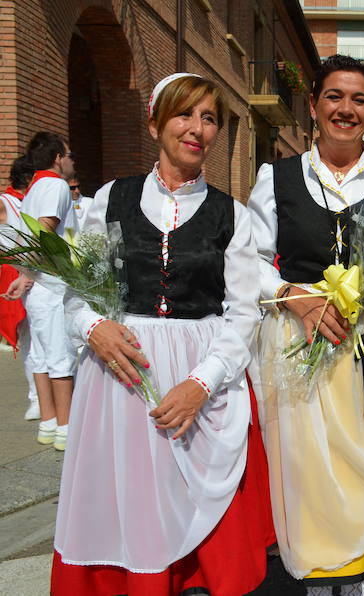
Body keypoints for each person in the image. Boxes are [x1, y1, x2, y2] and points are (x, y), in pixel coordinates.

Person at [51, 73, 274, 595]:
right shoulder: (110, 199)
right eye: (184, 114)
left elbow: (243, 314)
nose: (197, 129)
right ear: (155, 122)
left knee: (202, 527)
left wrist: (201, 384)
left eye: (209, 118)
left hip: (200, 375)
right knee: (124, 509)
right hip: (118, 378)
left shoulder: (232, 215)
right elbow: (77, 291)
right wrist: (95, 327)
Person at [248, 54, 364, 596]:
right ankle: (320, 582)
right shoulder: (275, 177)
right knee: (310, 474)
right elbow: (250, 261)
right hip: (300, 339)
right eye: (334, 97)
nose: (345, 110)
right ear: (314, 105)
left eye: (358, 100)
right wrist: (290, 294)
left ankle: (358, 584)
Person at [16, 132, 77, 450]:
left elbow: (22, 237)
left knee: (41, 356)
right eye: (69, 155)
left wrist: (23, 274)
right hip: (54, 283)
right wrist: (27, 272)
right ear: (57, 158)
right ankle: (67, 428)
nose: (71, 161)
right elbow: (43, 232)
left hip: (39, 284)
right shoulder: (53, 185)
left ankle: (49, 423)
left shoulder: (33, 189)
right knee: (60, 357)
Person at [0, 156, 39, 420]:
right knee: (29, 339)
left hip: (30, 270)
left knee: (40, 339)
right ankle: (35, 397)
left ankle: (41, 397)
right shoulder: (6, 201)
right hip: (14, 272)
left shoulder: (25, 202)